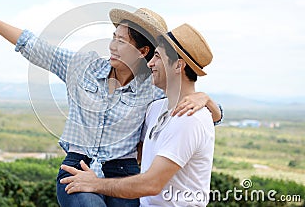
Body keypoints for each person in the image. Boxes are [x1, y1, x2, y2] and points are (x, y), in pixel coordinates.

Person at [0, 0, 222, 207]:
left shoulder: (153, 88)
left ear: (143, 51)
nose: (112, 46)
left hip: (123, 173)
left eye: (122, 41)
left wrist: (207, 101)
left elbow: (195, 108)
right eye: (113, 37)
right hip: (78, 164)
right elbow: (31, 45)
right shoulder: (83, 66)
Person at [60, 23, 216, 206]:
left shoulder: (190, 120)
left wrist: (96, 184)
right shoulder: (155, 109)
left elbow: (151, 184)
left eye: (157, 57)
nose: (150, 63)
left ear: (178, 65)